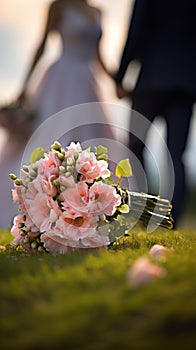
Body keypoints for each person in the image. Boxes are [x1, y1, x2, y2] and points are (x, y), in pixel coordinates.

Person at [114, 0, 196, 228]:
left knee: (134, 146)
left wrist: (120, 76)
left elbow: (136, 30)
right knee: (177, 156)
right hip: (184, 85)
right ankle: (170, 220)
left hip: (151, 79)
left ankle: (146, 212)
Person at [17, 0, 114, 142]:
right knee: (53, 131)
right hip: (62, 79)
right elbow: (42, 45)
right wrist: (25, 86)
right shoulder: (59, 7)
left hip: (88, 82)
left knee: (88, 133)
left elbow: (98, 57)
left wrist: (118, 81)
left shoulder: (97, 12)